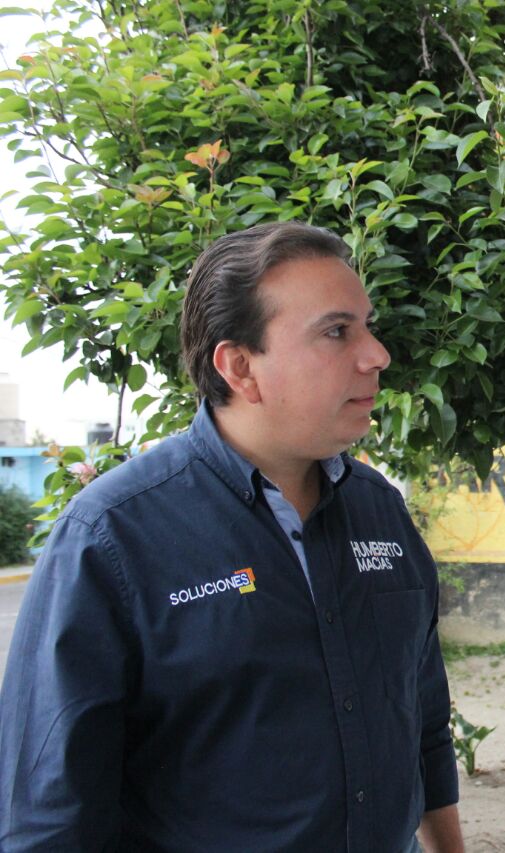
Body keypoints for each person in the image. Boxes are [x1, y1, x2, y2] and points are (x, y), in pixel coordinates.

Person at [0, 222, 464, 851]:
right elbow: (50, 809)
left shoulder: (380, 510)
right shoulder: (112, 536)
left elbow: (423, 721)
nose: (376, 353)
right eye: (337, 331)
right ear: (241, 367)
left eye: (367, 324)